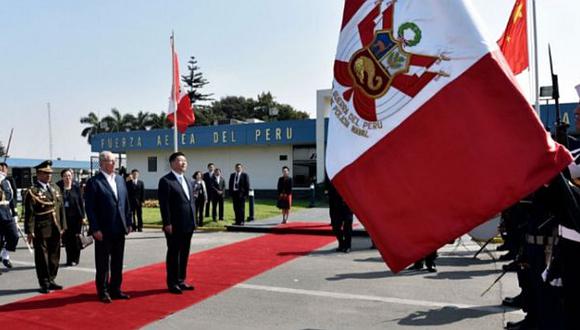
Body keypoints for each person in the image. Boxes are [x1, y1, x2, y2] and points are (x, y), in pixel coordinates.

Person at [84, 151, 132, 303]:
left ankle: (116, 289)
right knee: (103, 263)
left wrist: (129, 222)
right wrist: (95, 229)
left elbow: (126, 203)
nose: (114, 163)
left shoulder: (120, 179)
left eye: (115, 161)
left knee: (117, 261)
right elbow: (90, 208)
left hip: (119, 228)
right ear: (102, 163)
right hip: (103, 230)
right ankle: (103, 291)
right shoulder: (94, 182)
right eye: (111, 161)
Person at [23, 160, 66, 293]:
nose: (49, 176)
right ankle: (44, 282)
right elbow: (29, 213)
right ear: (39, 174)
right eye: (46, 173)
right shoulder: (33, 191)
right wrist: (29, 231)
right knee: (42, 256)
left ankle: (52, 279)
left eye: (50, 173)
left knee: (55, 254)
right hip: (41, 228)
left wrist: (63, 225)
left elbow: (61, 208)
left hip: (55, 226)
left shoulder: (55, 188)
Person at [158, 152, 196, 294]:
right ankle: (172, 282)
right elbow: (164, 204)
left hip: (188, 224)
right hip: (174, 225)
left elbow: (190, 202)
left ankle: (181, 280)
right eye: (180, 161)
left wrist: (194, 220)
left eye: (185, 161)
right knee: (174, 254)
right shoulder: (166, 181)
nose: (184, 163)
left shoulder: (186, 180)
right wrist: (167, 223)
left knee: (185, 253)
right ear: (172, 163)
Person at [57, 169, 86, 266]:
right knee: (67, 239)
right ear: (62, 177)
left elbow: (81, 202)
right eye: (65, 176)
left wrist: (83, 216)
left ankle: (75, 258)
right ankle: (69, 259)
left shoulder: (76, 187)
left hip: (76, 218)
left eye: (69, 176)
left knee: (76, 238)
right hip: (64, 218)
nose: (67, 178)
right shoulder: (59, 188)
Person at [326, 177, 353, 253]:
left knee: (347, 228)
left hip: (347, 207)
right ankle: (341, 243)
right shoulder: (331, 179)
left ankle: (348, 246)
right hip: (335, 207)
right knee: (335, 227)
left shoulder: (348, 180)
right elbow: (329, 194)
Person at [0, 162, 18, 270]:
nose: (2, 170)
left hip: (6, 212)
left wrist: (14, 213)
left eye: (4, 169)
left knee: (14, 236)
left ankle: (5, 255)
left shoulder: (7, 182)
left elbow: (11, 198)